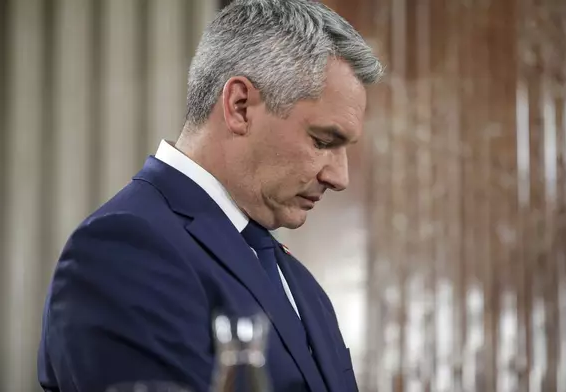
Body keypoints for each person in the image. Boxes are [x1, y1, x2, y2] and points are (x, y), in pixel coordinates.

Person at [37, 0, 383, 391]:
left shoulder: (299, 283)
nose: (340, 177)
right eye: (323, 141)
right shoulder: (124, 250)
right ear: (239, 106)